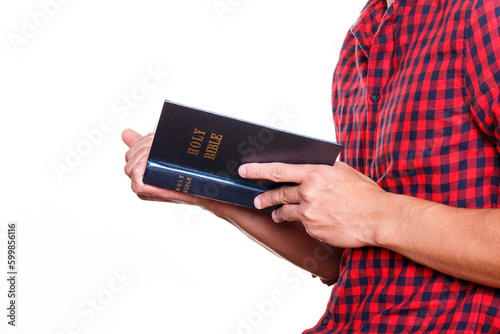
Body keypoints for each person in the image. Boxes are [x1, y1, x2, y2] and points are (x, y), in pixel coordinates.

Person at [122, 0, 500, 331]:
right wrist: (207, 187)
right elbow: (347, 254)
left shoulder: (483, 14)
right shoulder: (364, 38)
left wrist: (379, 215)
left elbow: (372, 220)